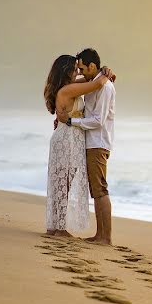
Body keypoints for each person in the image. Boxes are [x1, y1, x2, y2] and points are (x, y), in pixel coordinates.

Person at [43, 55, 112, 236]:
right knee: (64, 183)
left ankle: (55, 226)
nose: (78, 72)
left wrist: (101, 71)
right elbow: (96, 84)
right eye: (75, 69)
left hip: (68, 138)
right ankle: (59, 228)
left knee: (62, 183)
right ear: (66, 71)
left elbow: (90, 79)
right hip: (68, 139)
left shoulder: (67, 87)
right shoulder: (69, 89)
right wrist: (106, 73)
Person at [65, 48, 117, 245]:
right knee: (96, 190)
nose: (80, 72)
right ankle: (100, 235)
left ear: (92, 66)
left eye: (82, 68)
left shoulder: (105, 87)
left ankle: (105, 237)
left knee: (100, 189)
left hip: (98, 143)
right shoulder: (94, 83)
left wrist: (72, 122)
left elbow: (98, 121)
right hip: (92, 143)